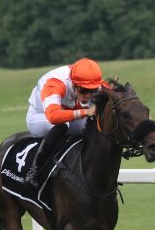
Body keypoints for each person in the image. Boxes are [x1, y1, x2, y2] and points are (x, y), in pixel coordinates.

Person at [24, 57, 106, 187]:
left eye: (93, 90)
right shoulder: (55, 83)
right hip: (40, 117)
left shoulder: (89, 80)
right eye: (84, 91)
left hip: (66, 115)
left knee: (91, 124)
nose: (89, 96)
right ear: (73, 84)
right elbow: (53, 116)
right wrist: (84, 112)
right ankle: (34, 171)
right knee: (63, 124)